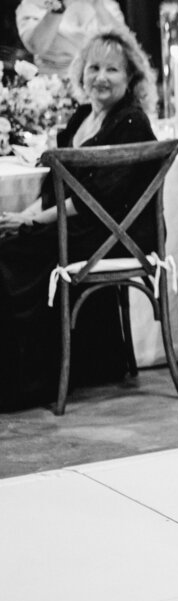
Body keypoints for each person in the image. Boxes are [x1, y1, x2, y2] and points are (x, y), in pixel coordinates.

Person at [0, 30, 158, 411]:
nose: (101, 77)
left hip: (115, 235)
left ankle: (29, 383)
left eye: (112, 70)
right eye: (94, 67)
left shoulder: (132, 122)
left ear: (131, 77)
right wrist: (28, 218)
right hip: (83, 228)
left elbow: (96, 201)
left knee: (12, 255)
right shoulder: (82, 117)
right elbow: (56, 186)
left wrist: (32, 222)